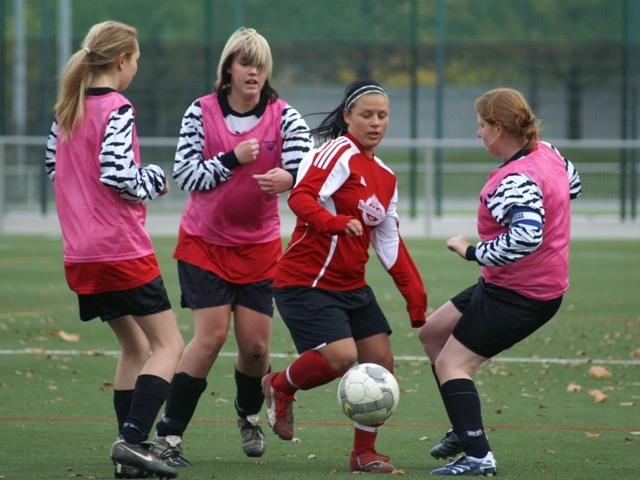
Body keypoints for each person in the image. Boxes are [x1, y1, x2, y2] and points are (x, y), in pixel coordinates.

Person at [151, 27, 312, 465]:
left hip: (260, 248)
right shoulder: (200, 112)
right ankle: (169, 437)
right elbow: (184, 175)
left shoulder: (286, 116)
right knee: (211, 336)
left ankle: (247, 414)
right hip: (205, 243)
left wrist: (292, 179)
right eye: (245, 63)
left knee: (256, 348)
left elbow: (313, 174)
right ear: (228, 68)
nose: (254, 71)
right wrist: (230, 159)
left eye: (260, 64)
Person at [261, 79, 427, 474]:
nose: (375, 122)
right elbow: (301, 196)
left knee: (382, 364)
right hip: (306, 280)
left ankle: (362, 454)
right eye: (366, 115)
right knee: (342, 357)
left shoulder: (386, 176)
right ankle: (279, 385)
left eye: (382, 115)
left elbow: (389, 242)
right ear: (348, 116)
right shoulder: (336, 152)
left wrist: (415, 299)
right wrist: (334, 222)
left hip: (352, 286)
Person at [44, 21, 184, 480]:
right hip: (120, 250)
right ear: (122, 60)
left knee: (134, 344)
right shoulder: (117, 107)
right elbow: (120, 175)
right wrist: (157, 179)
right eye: (137, 59)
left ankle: (131, 455)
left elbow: (54, 167)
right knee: (170, 345)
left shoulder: (66, 109)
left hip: (79, 256)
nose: (136, 68)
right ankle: (134, 442)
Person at [418, 87, 582, 476]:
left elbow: (526, 236)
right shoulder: (549, 154)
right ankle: (463, 427)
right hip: (513, 284)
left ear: (497, 127)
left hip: (519, 295)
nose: (477, 133)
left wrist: (472, 251)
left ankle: (478, 456)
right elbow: (572, 186)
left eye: (481, 126)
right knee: (432, 334)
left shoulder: (515, 178)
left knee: (452, 366)